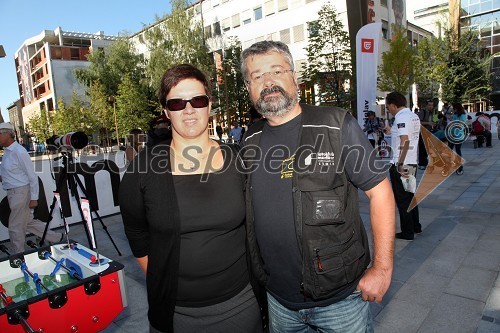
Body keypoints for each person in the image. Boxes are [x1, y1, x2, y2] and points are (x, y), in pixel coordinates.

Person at [239, 41, 395, 332]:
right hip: (279, 301)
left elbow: (380, 192)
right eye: (257, 76)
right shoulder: (250, 140)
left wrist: (382, 268)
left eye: (276, 71)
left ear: (294, 77)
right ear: (249, 88)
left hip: (341, 302)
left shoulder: (336, 125)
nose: (268, 82)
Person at [119, 64, 264, 333]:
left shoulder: (240, 159)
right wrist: (163, 279)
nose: (188, 110)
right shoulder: (143, 169)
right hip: (176, 313)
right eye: (177, 103)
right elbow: (136, 233)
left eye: (197, 100)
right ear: (166, 112)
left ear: (209, 106)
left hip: (241, 306)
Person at [0, 123, 63, 254]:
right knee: (27, 222)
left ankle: (18, 255)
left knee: (15, 226)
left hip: (20, 192)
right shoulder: (7, 152)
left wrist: (34, 198)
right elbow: (11, 174)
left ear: (8, 134)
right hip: (14, 192)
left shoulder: (19, 151)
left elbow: (32, 176)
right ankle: (56, 238)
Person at [385, 92, 422, 241]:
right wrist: (391, 132)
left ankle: (407, 232)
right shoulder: (413, 116)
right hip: (412, 162)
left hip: (402, 164)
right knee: (410, 196)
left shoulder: (401, 117)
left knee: (402, 200)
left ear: (394, 105)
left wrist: (399, 164)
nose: (389, 110)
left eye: (388, 107)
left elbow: (405, 141)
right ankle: (415, 226)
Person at [448, 103, 467, 175]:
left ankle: (459, 167)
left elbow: (461, 125)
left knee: (458, 150)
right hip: (452, 135)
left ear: (457, 108)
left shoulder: (462, 115)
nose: (453, 110)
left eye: (454, 109)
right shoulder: (455, 115)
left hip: (458, 135)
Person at [417, 100, 436, 169]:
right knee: (422, 148)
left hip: (430, 131)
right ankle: (421, 163)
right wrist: (428, 123)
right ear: (426, 105)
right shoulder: (423, 112)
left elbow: (435, 121)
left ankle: (425, 162)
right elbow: (419, 122)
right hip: (423, 132)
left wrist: (436, 122)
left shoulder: (433, 113)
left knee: (427, 148)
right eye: (429, 105)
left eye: (432, 105)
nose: (431, 107)